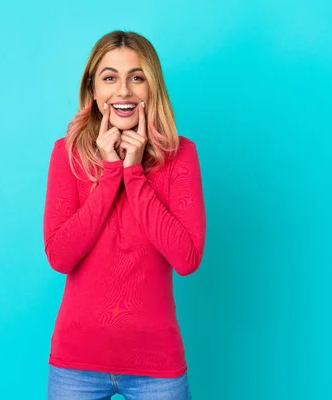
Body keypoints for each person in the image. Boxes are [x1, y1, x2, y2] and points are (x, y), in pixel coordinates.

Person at [43, 30, 206, 399]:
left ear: (152, 86)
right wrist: (111, 173)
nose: (123, 92)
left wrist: (134, 176)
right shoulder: (66, 155)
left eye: (137, 77)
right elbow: (60, 256)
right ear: (94, 90)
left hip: (156, 367)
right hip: (76, 364)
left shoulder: (181, 156)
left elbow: (187, 259)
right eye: (110, 78)